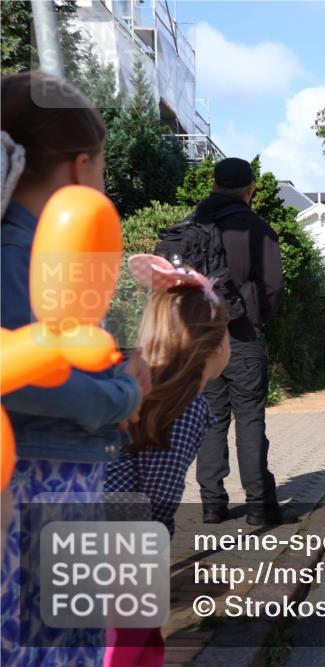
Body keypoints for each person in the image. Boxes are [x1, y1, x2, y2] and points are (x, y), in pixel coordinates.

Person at [1, 71, 151, 667]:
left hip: (52, 474)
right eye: (103, 169)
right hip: (43, 479)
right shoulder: (22, 254)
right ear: (79, 167)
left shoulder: (31, 248)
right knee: (53, 646)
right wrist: (122, 392)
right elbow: (38, 376)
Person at [104, 256, 230, 667]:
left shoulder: (136, 385)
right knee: (133, 647)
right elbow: (159, 497)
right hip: (130, 541)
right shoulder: (191, 410)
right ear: (211, 345)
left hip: (85, 526)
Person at [192, 158, 290, 526]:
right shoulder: (258, 229)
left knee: (211, 420)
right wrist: (257, 317)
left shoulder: (193, 226)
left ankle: (212, 504)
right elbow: (273, 286)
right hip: (242, 335)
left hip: (202, 339)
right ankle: (259, 508)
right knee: (250, 420)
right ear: (250, 190)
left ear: (214, 185)